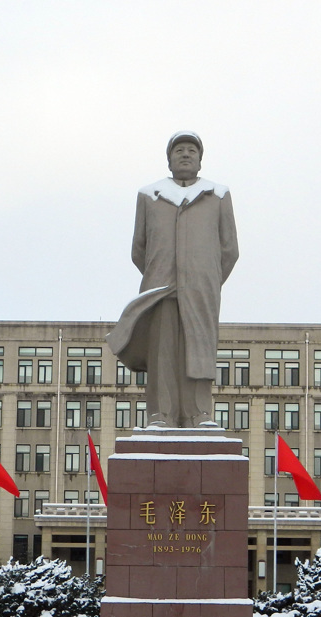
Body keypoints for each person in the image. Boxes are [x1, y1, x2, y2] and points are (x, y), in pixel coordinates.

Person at [107, 131, 239, 428]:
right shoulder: (149, 195)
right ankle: (160, 414)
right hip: (161, 286)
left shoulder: (217, 194)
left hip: (202, 288)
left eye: (192, 150)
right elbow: (138, 248)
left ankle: (200, 413)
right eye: (179, 150)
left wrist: (208, 278)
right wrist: (161, 271)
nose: (185, 154)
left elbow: (229, 249)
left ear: (200, 160)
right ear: (169, 160)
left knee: (199, 351)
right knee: (162, 354)